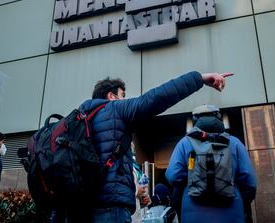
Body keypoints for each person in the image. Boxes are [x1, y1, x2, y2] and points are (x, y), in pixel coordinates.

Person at [78, 71, 232, 223]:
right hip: (111, 209)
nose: (125, 99)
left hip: (79, 208)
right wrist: (200, 79)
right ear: (111, 96)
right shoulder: (114, 109)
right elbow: (156, 97)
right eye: (122, 95)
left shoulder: (80, 120)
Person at [166, 105, 256, 223]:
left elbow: (173, 176)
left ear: (195, 120)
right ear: (218, 117)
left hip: (193, 213)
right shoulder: (234, 143)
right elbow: (250, 182)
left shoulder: (184, 143)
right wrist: (239, 201)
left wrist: (194, 180)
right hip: (232, 213)